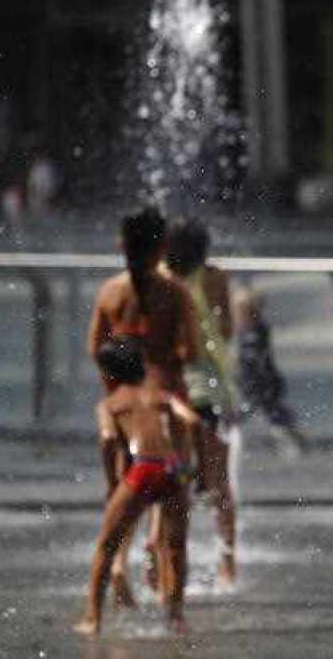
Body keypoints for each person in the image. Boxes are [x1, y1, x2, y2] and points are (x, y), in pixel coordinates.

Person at [87, 206, 198, 604]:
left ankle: (116, 566)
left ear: (121, 245)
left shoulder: (110, 292)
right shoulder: (174, 292)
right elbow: (192, 350)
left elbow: (94, 347)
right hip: (167, 400)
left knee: (123, 487)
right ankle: (173, 608)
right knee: (172, 502)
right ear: (163, 247)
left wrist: (116, 388)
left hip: (122, 405)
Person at [73, 338, 201, 635]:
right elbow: (193, 421)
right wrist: (200, 471)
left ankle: (92, 618)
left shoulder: (110, 404)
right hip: (174, 469)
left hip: (144, 468)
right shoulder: (163, 396)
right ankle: (175, 616)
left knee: (107, 544)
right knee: (175, 546)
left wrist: (112, 483)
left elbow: (107, 440)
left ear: (108, 375)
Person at [164, 218, 239, 586]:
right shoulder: (215, 277)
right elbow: (226, 331)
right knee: (218, 479)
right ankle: (228, 560)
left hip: (172, 387)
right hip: (210, 385)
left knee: (169, 476)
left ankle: (160, 558)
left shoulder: (161, 278)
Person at [234, 288, 307, 455]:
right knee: (269, 410)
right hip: (255, 381)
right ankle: (295, 435)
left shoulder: (255, 332)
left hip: (261, 382)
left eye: (240, 312)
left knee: (262, 409)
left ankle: (295, 437)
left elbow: (255, 358)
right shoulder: (249, 331)